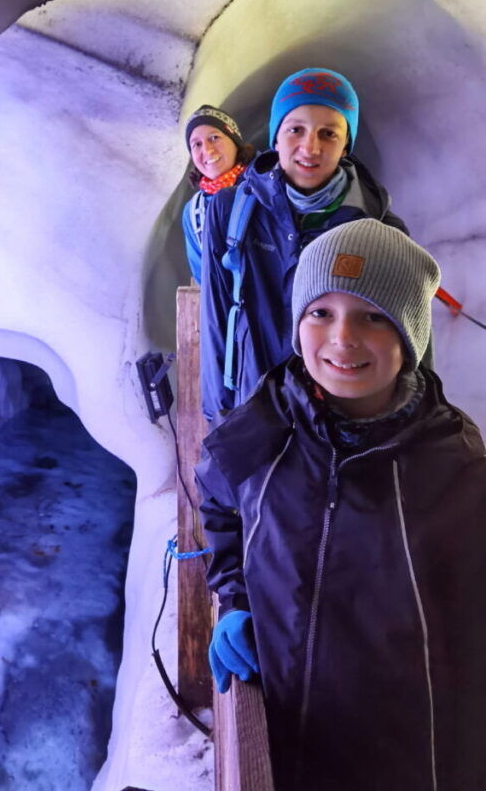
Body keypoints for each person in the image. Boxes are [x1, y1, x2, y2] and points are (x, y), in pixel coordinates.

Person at [196, 219, 486, 791]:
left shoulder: (454, 467)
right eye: (320, 312)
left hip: (398, 761)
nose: (342, 338)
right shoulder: (266, 421)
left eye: (374, 315)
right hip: (279, 738)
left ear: (410, 335)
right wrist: (233, 597)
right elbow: (219, 500)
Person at [200, 67, 408, 421]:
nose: (310, 147)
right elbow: (216, 319)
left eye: (328, 133)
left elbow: (405, 347)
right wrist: (218, 417)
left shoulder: (380, 230)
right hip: (254, 410)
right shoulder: (231, 211)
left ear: (345, 146)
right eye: (296, 129)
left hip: (338, 424)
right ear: (276, 137)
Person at [181, 105, 255, 283]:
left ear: (234, 141)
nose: (207, 150)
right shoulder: (193, 212)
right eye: (196, 144)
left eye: (214, 138)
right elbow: (204, 278)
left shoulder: (265, 184)